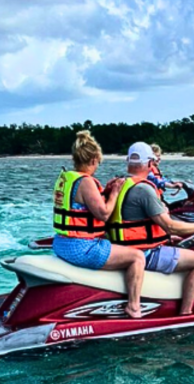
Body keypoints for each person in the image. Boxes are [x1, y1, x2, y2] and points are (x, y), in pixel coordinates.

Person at [107, 142, 194, 316]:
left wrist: (166, 237)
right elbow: (170, 225)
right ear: (150, 164)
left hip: (122, 249)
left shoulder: (120, 184)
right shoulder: (143, 190)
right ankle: (186, 313)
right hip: (145, 253)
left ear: (128, 162)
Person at [52, 130, 146, 318]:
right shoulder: (86, 182)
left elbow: (83, 205)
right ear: (94, 160)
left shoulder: (68, 177)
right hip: (81, 248)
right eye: (98, 163)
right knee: (137, 257)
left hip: (61, 243)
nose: (98, 167)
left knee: (117, 246)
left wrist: (106, 190)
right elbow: (103, 214)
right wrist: (115, 192)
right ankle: (134, 307)